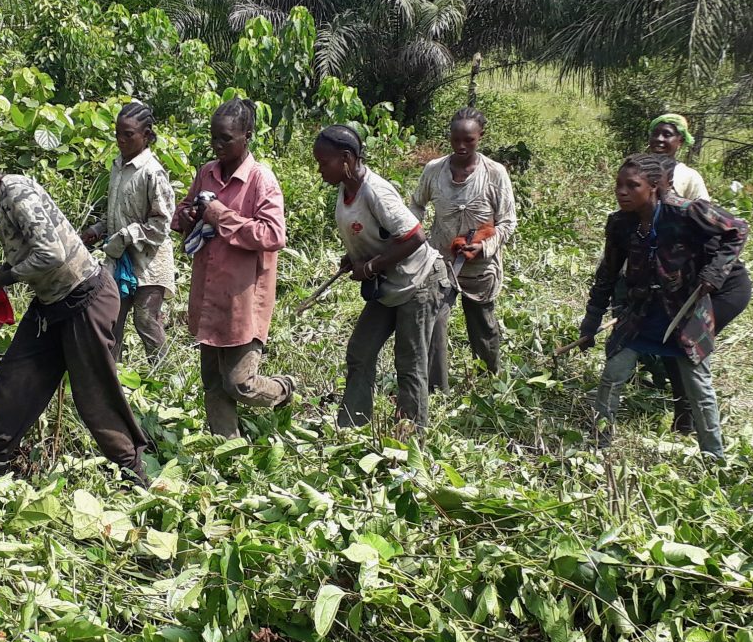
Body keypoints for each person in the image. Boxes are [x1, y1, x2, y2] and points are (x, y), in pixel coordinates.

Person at [0, 133, 149, 485]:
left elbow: (51, 254)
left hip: (85, 297)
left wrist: (0, 281)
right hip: (52, 303)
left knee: (93, 393)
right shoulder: (1, 197)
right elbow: (31, 252)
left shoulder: (15, 193)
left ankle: (134, 472)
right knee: (15, 374)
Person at [579, 153, 749, 458]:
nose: (622, 192)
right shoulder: (620, 224)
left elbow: (736, 229)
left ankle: (715, 457)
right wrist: (592, 318)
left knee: (698, 387)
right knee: (613, 375)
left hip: (683, 314)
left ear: (654, 186)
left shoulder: (685, 212)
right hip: (641, 312)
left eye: (632, 186)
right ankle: (599, 443)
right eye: (619, 185)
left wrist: (715, 272)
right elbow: (607, 272)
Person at [170, 99, 293, 437]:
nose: (218, 146)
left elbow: (272, 234)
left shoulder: (260, 180)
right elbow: (183, 211)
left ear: (247, 136)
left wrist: (220, 215)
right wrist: (186, 216)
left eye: (226, 139)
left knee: (239, 382)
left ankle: (284, 389)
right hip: (210, 294)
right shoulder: (207, 172)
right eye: (214, 138)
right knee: (213, 383)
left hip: (243, 297)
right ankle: (229, 449)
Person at [313, 124, 445, 431]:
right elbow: (378, 235)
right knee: (360, 350)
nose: (319, 169)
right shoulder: (347, 190)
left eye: (324, 162)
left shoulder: (375, 191)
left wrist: (370, 268)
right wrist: (356, 257)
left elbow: (415, 236)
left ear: (346, 158)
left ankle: (410, 441)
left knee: (409, 365)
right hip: (390, 284)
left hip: (419, 282)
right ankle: (353, 427)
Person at [409, 105, 518, 381]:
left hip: (480, 268)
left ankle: (490, 381)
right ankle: (436, 387)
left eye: (468, 140)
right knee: (435, 322)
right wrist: (412, 239)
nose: (461, 146)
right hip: (440, 261)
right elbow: (416, 205)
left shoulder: (495, 173)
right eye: (455, 139)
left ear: (480, 136)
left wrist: (483, 248)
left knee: (483, 328)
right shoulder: (434, 170)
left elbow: (508, 222)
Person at [81, 102, 176, 364]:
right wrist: (98, 230)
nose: (121, 140)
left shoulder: (152, 172)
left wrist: (127, 235)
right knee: (112, 319)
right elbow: (116, 211)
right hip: (119, 259)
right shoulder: (117, 167)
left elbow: (161, 224)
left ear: (146, 135)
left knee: (146, 321)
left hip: (149, 261)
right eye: (118, 134)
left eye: (129, 134)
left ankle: (165, 378)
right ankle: (114, 379)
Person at [647, 113, 710, 201]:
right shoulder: (636, 169)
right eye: (655, 134)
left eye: (667, 135)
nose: (659, 139)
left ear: (680, 141)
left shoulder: (689, 176)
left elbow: (703, 211)